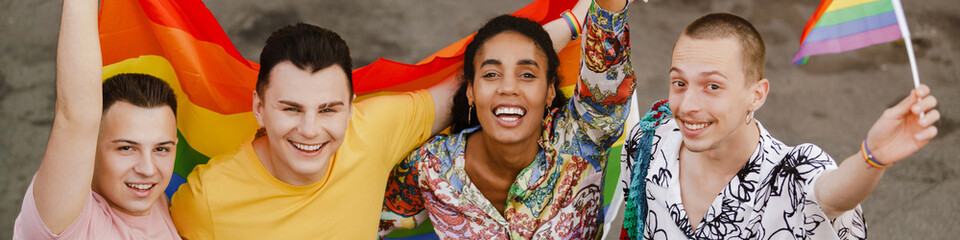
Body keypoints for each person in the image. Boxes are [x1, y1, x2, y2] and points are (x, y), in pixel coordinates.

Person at [168, 4, 589, 236]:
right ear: (259, 107)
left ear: (352, 107)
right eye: (291, 108)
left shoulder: (373, 129)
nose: (311, 130)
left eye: (329, 109)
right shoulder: (205, 202)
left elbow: (476, 78)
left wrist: (579, 16)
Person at [617, 13, 940, 239]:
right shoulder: (650, 140)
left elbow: (831, 196)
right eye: (679, 83)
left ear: (756, 94)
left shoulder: (791, 171)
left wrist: (873, 157)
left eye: (713, 87)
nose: (687, 106)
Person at [378, 0, 633, 238]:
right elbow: (363, 216)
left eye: (527, 75)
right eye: (491, 74)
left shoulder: (582, 136)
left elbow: (607, 54)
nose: (508, 87)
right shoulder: (428, 168)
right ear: (470, 92)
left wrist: (581, 17)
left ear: (550, 91)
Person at [14, 0, 181, 239]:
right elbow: (75, 120)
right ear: (90, 148)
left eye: (162, 149)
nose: (147, 169)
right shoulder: (69, 224)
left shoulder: (163, 203)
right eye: (126, 148)